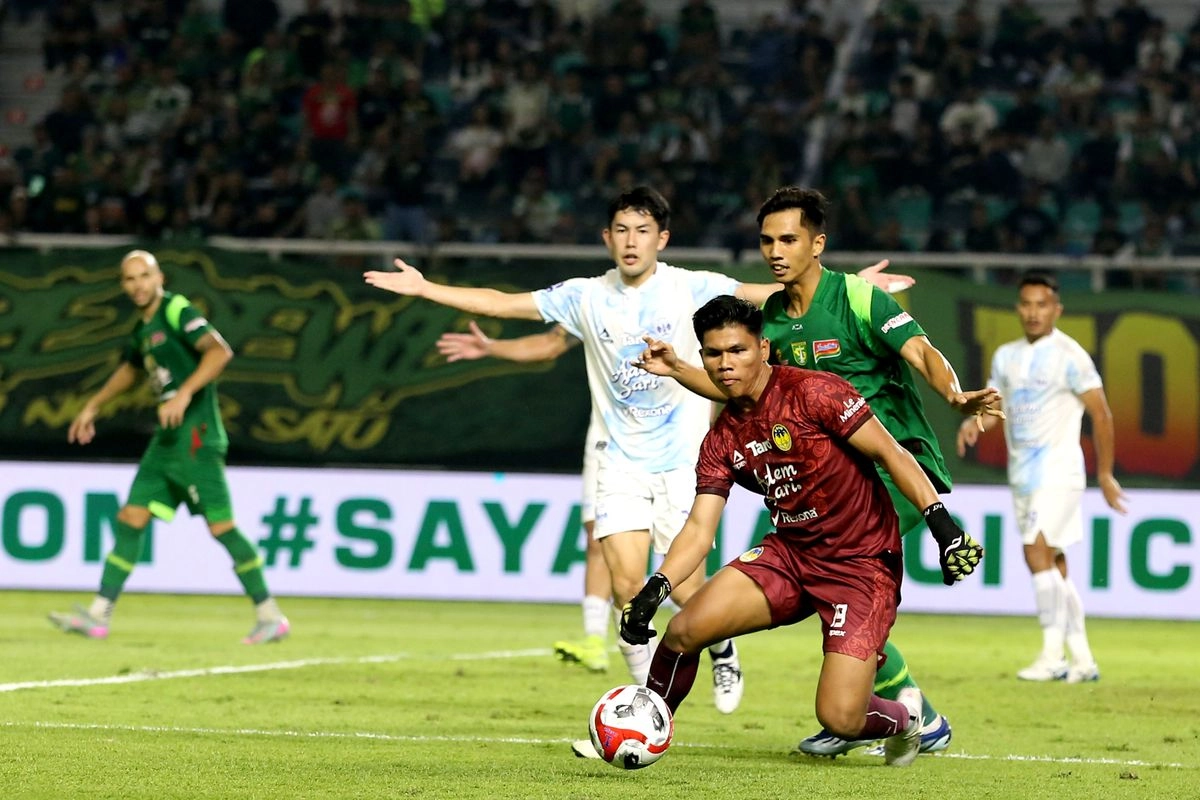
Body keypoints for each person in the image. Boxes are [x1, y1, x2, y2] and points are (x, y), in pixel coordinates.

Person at [368, 188, 762, 758]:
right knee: (628, 588)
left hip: (684, 461)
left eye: (642, 230)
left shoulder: (690, 286)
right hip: (619, 461)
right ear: (607, 238)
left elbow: (768, 294)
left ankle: (722, 648)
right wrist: (428, 288)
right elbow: (502, 303)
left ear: (662, 239)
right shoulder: (584, 296)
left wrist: (850, 289)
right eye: (621, 230)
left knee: (687, 592)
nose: (631, 241)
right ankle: (646, 708)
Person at [636, 186, 998, 759]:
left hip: (891, 456)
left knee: (847, 552)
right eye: (767, 241)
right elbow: (743, 384)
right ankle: (870, 705)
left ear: (817, 243)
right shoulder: (770, 323)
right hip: (823, 465)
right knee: (821, 562)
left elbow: (922, 351)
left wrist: (953, 395)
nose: (775, 252)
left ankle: (871, 708)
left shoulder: (857, 297)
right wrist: (680, 368)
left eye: (788, 240)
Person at [49, 250, 290, 645]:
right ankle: (97, 616)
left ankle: (270, 616)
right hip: (167, 441)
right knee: (131, 517)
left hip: (196, 436)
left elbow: (219, 351)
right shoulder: (143, 329)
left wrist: (184, 393)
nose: (138, 285)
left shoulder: (176, 309)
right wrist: (93, 406)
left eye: (144, 276)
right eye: (130, 279)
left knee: (221, 526)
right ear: (123, 285)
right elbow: (130, 369)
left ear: (159, 277)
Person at [957, 271, 1127, 683]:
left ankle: (1052, 656)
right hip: (1023, 476)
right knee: (1055, 562)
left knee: (1035, 552)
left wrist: (1105, 473)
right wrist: (976, 423)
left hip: (1059, 471)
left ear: (1056, 309)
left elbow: (1101, 414)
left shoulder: (1070, 356)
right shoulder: (1006, 356)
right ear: (1018, 309)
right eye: (1027, 304)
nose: (1034, 312)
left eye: (1042, 305)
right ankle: (1082, 660)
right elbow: (998, 408)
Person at [436, 322, 614, 673]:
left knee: (679, 555)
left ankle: (716, 646)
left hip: (673, 444)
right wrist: (491, 347)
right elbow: (550, 343)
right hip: (608, 441)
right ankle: (595, 640)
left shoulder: (685, 297)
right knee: (599, 538)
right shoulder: (594, 301)